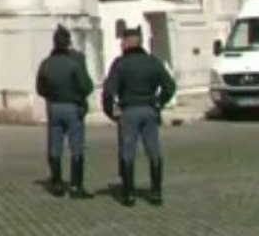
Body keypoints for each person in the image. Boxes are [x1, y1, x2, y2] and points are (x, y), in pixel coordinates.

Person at [102, 26, 177, 206]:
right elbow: (170, 86)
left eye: (123, 42)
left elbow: (108, 92)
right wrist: (159, 102)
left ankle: (129, 195)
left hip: (129, 111)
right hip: (150, 109)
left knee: (128, 151)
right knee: (153, 151)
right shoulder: (153, 62)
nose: (121, 45)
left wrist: (110, 112)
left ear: (127, 43)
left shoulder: (120, 64)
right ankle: (156, 192)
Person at [35, 25, 93, 198]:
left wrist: (51, 96)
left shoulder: (46, 64)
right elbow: (86, 86)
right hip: (72, 106)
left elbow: (40, 88)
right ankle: (76, 186)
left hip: (54, 107)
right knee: (76, 146)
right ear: (68, 43)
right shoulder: (73, 64)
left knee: (55, 145)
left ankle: (57, 183)